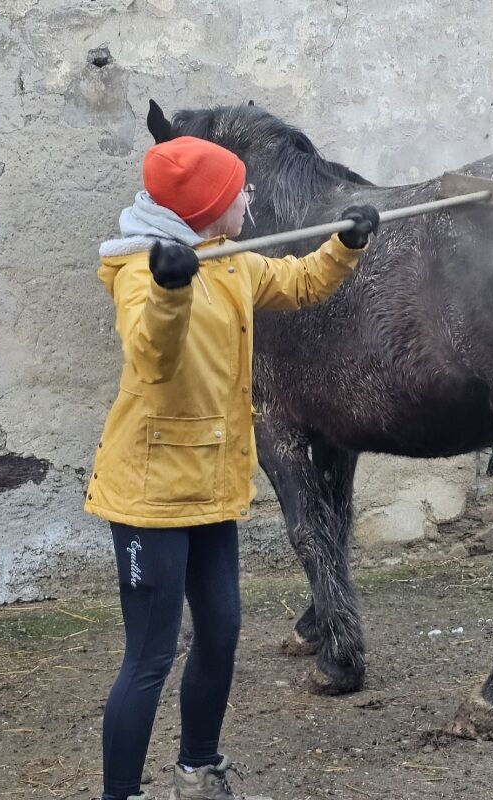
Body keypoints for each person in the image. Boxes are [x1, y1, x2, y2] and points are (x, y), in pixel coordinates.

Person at [85, 135, 379, 800]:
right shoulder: (141, 271)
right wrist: (169, 289)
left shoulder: (231, 261)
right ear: (205, 207)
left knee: (220, 634)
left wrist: (345, 246)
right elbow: (152, 358)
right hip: (149, 498)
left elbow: (298, 283)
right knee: (150, 655)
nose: (248, 196)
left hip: (211, 489)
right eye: (236, 189)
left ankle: (199, 770)